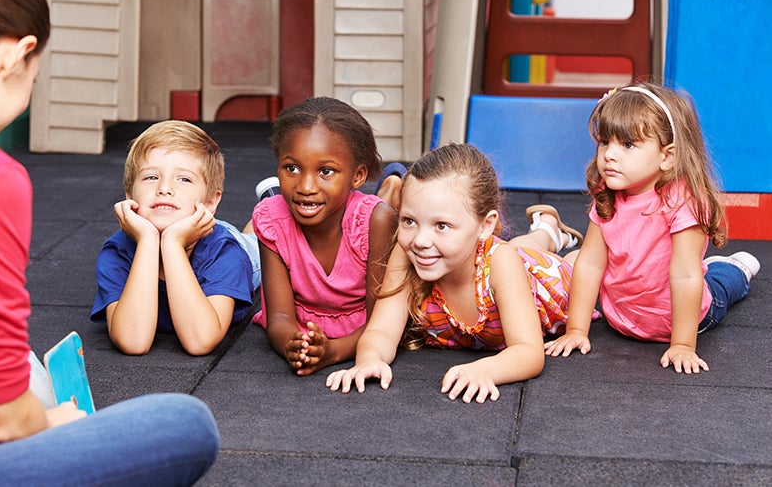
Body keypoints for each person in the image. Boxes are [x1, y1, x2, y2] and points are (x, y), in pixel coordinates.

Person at [0, 0, 218, 485]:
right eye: (36, 77)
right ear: (17, 55)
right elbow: (3, 415)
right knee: (185, 424)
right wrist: (55, 429)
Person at [326, 143, 586, 403]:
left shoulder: (501, 262)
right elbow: (381, 331)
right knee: (518, 248)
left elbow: (529, 352)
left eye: (441, 225)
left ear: (485, 225)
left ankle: (549, 232)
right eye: (409, 221)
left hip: (543, 278)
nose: (420, 240)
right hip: (492, 256)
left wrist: (485, 370)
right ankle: (545, 229)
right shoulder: (407, 254)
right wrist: (370, 360)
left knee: (565, 264)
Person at [543, 82, 760, 374]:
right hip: (622, 319)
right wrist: (576, 329)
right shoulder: (609, 195)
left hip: (685, 320)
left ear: (667, 157)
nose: (609, 155)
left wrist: (683, 345)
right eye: (605, 142)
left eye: (628, 145)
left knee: (721, 285)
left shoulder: (681, 202)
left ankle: (736, 268)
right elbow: (591, 263)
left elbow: (684, 274)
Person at [251, 96, 399, 376]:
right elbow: (280, 316)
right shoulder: (271, 220)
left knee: (392, 212)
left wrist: (334, 352)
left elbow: (382, 322)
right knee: (270, 210)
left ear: (357, 176)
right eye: (292, 168)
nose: (306, 186)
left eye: (325, 171)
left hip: (361, 327)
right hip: (306, 320)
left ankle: (393, 186)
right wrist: (292, 345)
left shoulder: (376, 222)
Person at [91, 120, 258, 356]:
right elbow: (133, 342)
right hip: (184, 229)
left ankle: (268, 210)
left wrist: (171, 243)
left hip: (235, 244)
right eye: (151, 177)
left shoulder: (225, 251)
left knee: (262, 243)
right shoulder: (116, 252)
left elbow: (200, 341)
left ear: (210, 202)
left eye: (184, 179)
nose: (164, 188)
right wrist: (149, 241)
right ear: (130, 195)